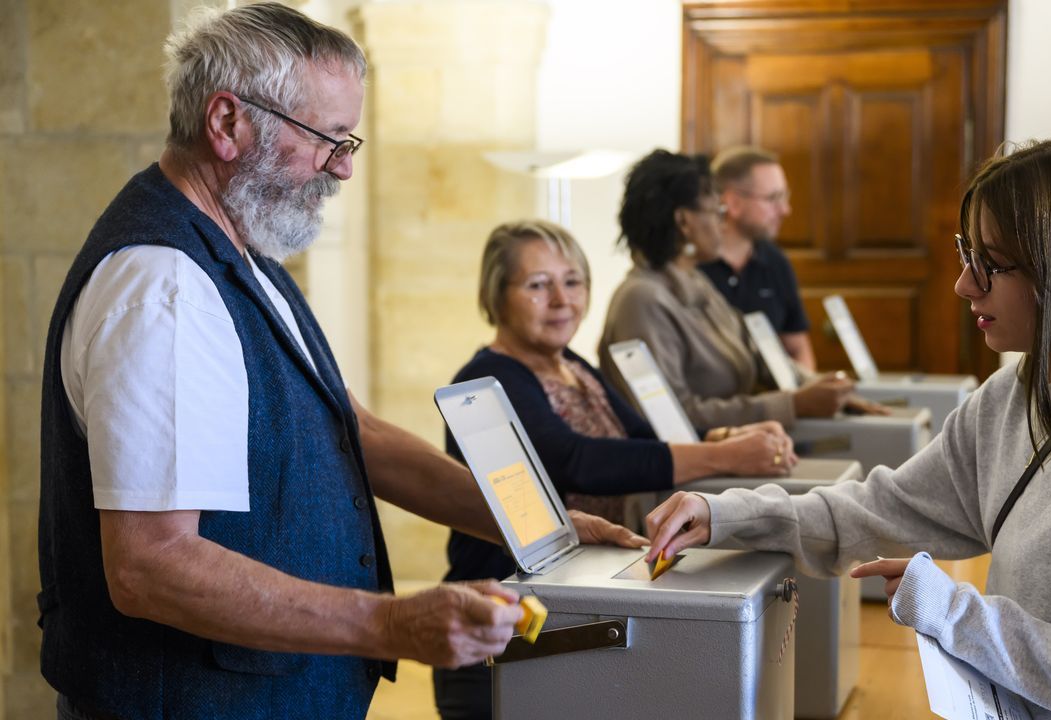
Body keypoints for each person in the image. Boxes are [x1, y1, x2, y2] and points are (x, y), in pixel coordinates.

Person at [37, 5, 640, 719]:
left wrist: (542, 523)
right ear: (227, 124)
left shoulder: (247, 257)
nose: (345, 167)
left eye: (348, 140)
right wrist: (391, 624)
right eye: (327, 139)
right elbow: (149, 566)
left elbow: (356, 432)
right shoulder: (163, 286)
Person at [645, 135, 1051, 717]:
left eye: (992, 266)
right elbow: (878, 509)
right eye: (965, 256)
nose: (964, 286)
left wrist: (955, 614)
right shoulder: (1013, 394)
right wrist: (724, 513)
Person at [434, 218, 799, 720]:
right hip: (500, 633)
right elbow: (580, 461)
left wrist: (723, 436)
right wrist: (726, 457)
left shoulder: (575, 365)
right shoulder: (488, 376)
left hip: (572, 619)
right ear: (497, 295)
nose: (562, 300)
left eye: (573, 281)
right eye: (538, 285)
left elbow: (643, 443)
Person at [598, 149, 883, 431]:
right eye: (716, 212)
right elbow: (672, 418)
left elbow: (756, 351)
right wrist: (792, 404)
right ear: (684, 221)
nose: (724, 224)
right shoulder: (641, 299)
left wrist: (822, 387)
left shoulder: (696, 282)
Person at [699, 146, 816, 370]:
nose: (785, 210)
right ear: (732, 202)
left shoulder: (775, 261)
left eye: (785, 197)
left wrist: (805, 396)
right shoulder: (690, 268)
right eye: (773, 198)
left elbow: (797, 347)